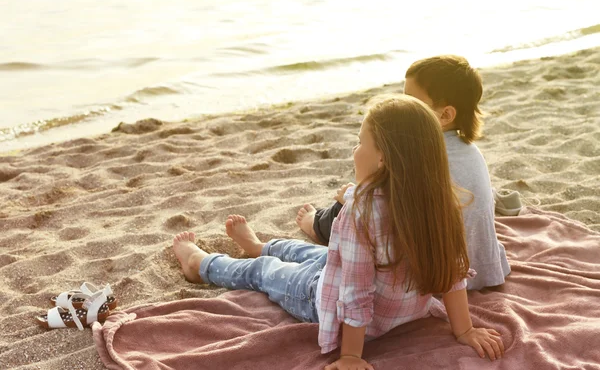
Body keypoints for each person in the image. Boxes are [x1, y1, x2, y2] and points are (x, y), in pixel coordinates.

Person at [173, 97, 505, 369]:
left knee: (265, 272)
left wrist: (350, 356)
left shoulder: (361, 213)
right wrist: (464, 330)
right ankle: (261, 245)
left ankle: (201, 264)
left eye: (361, 142)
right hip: (399, 308)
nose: (354, 151)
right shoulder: (440, 200)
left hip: (327, 303)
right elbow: (453, 272)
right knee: (314, 254)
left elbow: (355, 291)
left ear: (382, 158)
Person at [297, 55, 510, 290]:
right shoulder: (469, 150)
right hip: (486, 266)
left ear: (445, 115)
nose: (402, 104)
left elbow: (386, 207)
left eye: (412, 101)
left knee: (354, 204)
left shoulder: (423, 154)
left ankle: (316, 226)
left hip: (445, 276)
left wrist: (350, 195)